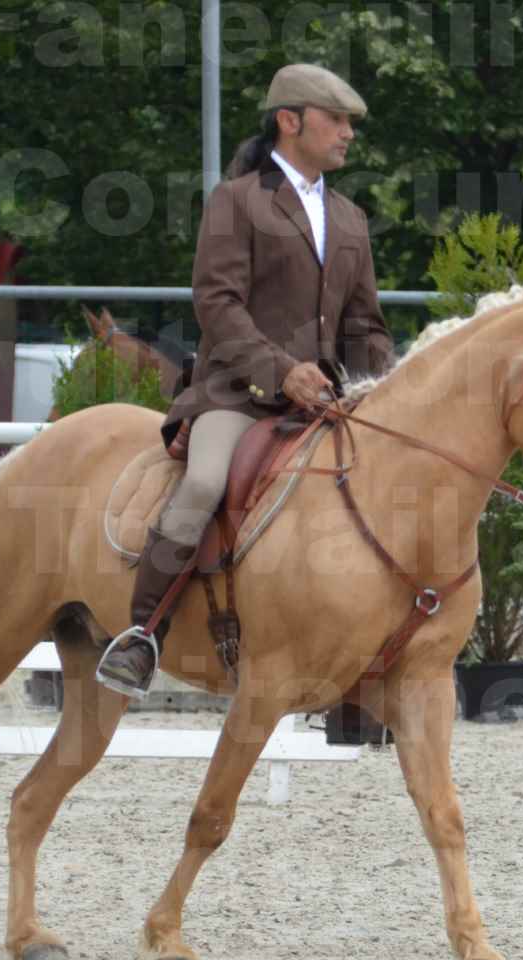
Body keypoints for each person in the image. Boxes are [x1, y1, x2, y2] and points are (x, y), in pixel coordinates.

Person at [97, 63, 395, 698]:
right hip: (239, 394)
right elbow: (218, 303)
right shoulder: (237, 201)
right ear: (290, 121)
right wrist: (281, 372)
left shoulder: (350, 219)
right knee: (204, 482)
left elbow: (365, 323)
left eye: (351, 124)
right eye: (336, 120)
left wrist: (387, 389)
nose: (348, 133)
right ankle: (141, 634)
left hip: (325, 400)